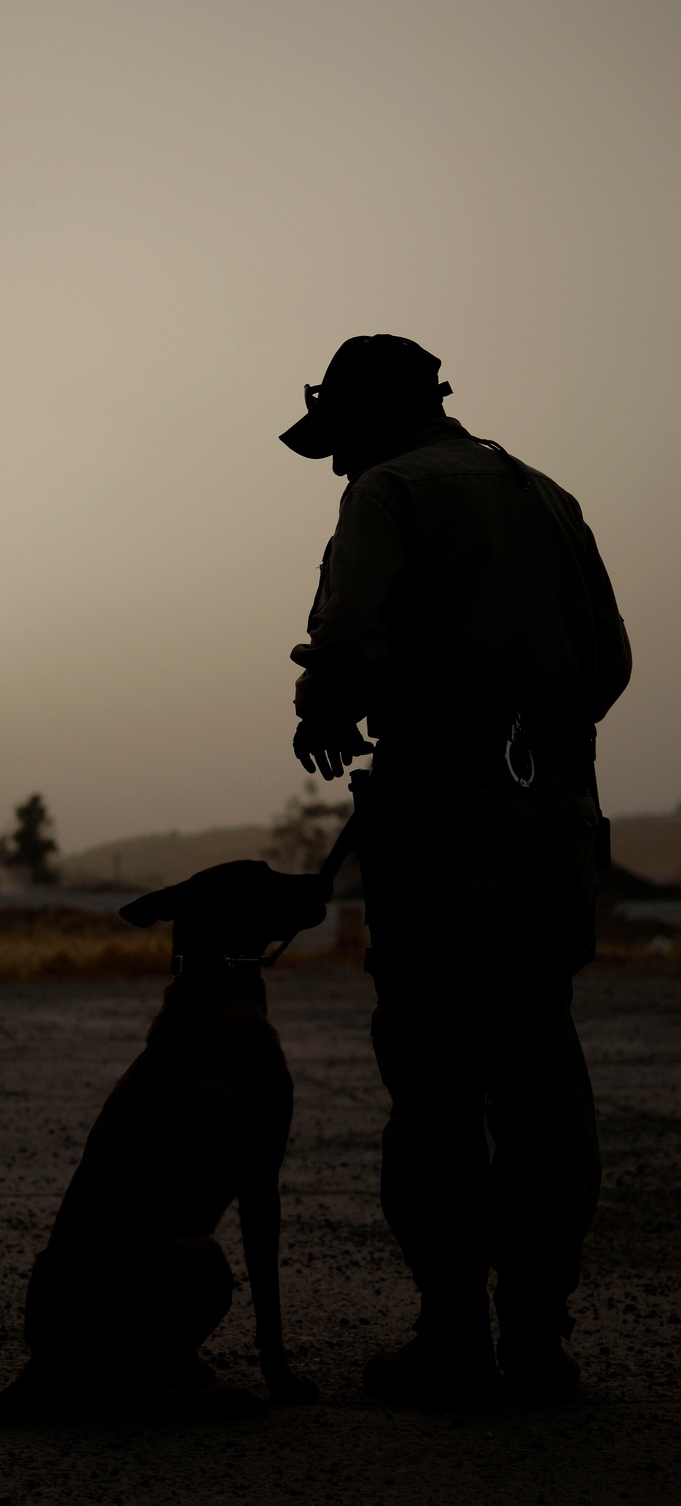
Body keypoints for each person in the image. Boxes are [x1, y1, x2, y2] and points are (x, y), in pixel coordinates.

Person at [280, 335, 631, 1405]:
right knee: (538, 1062)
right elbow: (607, 664)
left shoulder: (388, 492)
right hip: (556, 816)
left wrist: (326, 710)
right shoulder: (548, 497)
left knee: (434, 1068)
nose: (337, 468)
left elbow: (347, 639)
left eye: (338, 444)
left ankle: (452, 1339)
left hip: (443, 818)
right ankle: (539, 1343)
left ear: (371, 422)